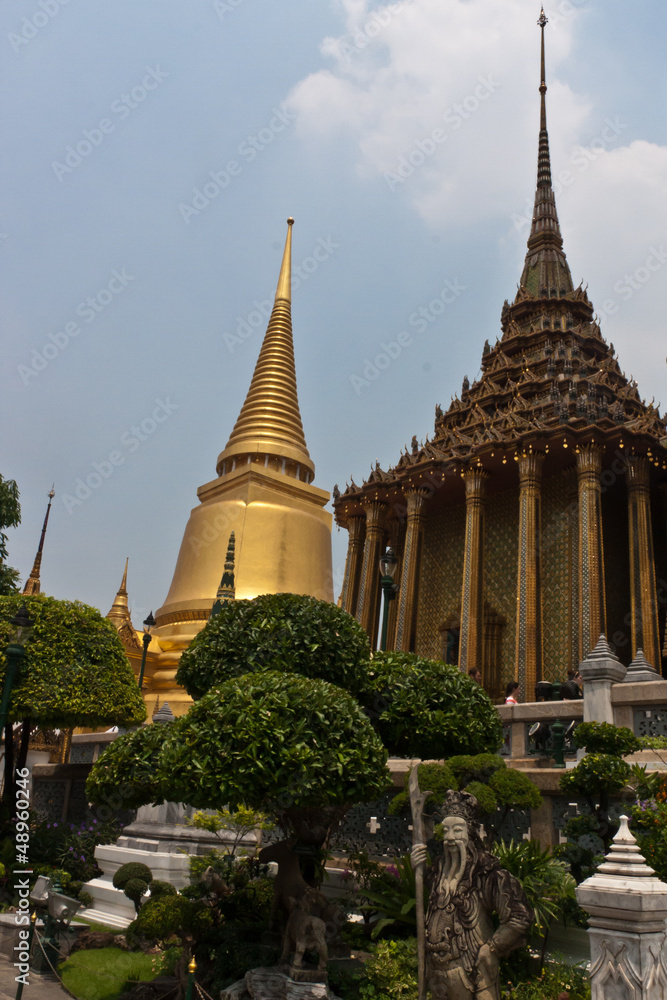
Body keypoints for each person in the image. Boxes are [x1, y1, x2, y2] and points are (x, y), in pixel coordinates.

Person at [411, 791, 532, 1000]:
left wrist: (493, 948)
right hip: (436, 972)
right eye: (446, 831)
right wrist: (418, 869)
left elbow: (519, 916)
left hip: (472, 971)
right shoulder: (438, 872)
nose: (449, 838)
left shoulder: (486, 874)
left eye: (457, 831)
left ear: (471, 833)